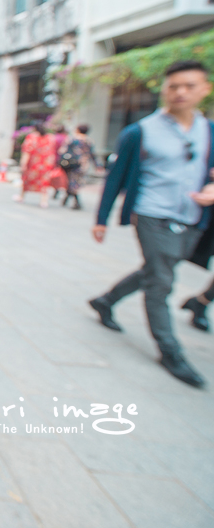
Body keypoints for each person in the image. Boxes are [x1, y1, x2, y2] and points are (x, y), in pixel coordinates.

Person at [88, 60, 214, 388]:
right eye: (174, 86)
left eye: (189, 85)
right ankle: (170, 351)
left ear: (205, 89)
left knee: (155, 270)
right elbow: (116, 178)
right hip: (150, 214)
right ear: (165, 90)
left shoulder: (209, 132)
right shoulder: (140, 132)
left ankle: (106, 300)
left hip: (192, 218)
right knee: (161, 281)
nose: (181, 92)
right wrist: (101, 219)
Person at [14, 121, 56, 207]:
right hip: (45, 165)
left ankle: (21, 196)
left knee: (26, 181)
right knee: (44, 183)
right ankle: (44, 201)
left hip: (33, 164)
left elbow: (27, 152)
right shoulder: (50, 138)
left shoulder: (31, 137)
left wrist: (23, 164)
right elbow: (52, 152)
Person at [58, 124, 98, 210]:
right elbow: (92, 154)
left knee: (72, 182)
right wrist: (97, 165)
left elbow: (62, 150)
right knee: (76, 182)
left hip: (71, 163)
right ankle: (67, 199)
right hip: (83, 164)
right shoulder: (89, 140)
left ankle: (76, 202)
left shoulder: (72, 139)